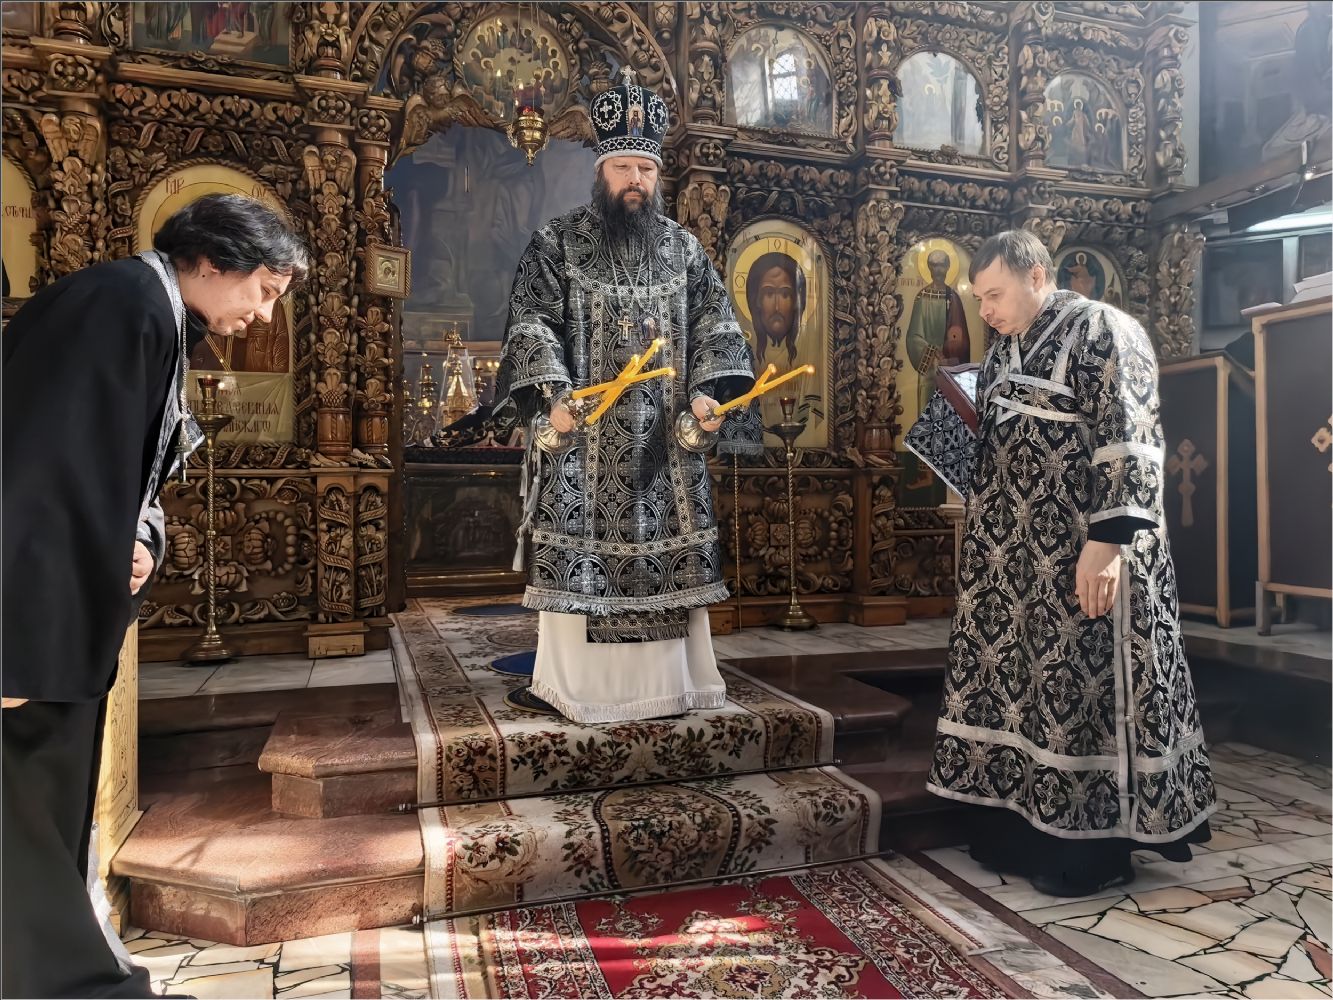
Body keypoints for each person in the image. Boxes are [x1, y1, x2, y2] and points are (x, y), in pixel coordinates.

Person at [3, 193, 308, 998]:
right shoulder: (121, 306)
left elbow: (118, 474)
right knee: (27, 809)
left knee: (44, 810)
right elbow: (34, 476)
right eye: (265, 290)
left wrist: (141, 538)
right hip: (34, 623)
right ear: (210, 261)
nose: (264, 314)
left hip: (58, 614)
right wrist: (13, 645)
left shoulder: (145, 309)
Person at [926, 230, 1215, 898]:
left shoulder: (1105, 330)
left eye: (994, 295)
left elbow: (1131, 438)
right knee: (1021, 690)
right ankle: (1018, 827)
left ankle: (1094, 846)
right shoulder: (1005, 347)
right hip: (1012, 560)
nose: (985, 311)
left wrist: (1106, 544)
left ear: (1036, 276)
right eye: (979, 299)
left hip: (1084, 552)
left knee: (1081, 691)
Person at [496, 71, 761, 724]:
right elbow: (532, 324)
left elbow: (717, 327)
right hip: (584, 445)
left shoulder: (684, 250)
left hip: (666, 451)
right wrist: (554, 398)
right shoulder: (557, 242)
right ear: (601, 172)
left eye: (645, 167)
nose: (635, 179)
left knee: (668, 564)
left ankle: (669, 688)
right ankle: (579, 690)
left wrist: (707, 395)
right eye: (623, 167)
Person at [744, 251, 804, 365]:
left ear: (796, 302)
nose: (776, 307)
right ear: (757, 300)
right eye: (769, 294)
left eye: (785, 295)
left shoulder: (807, 349)